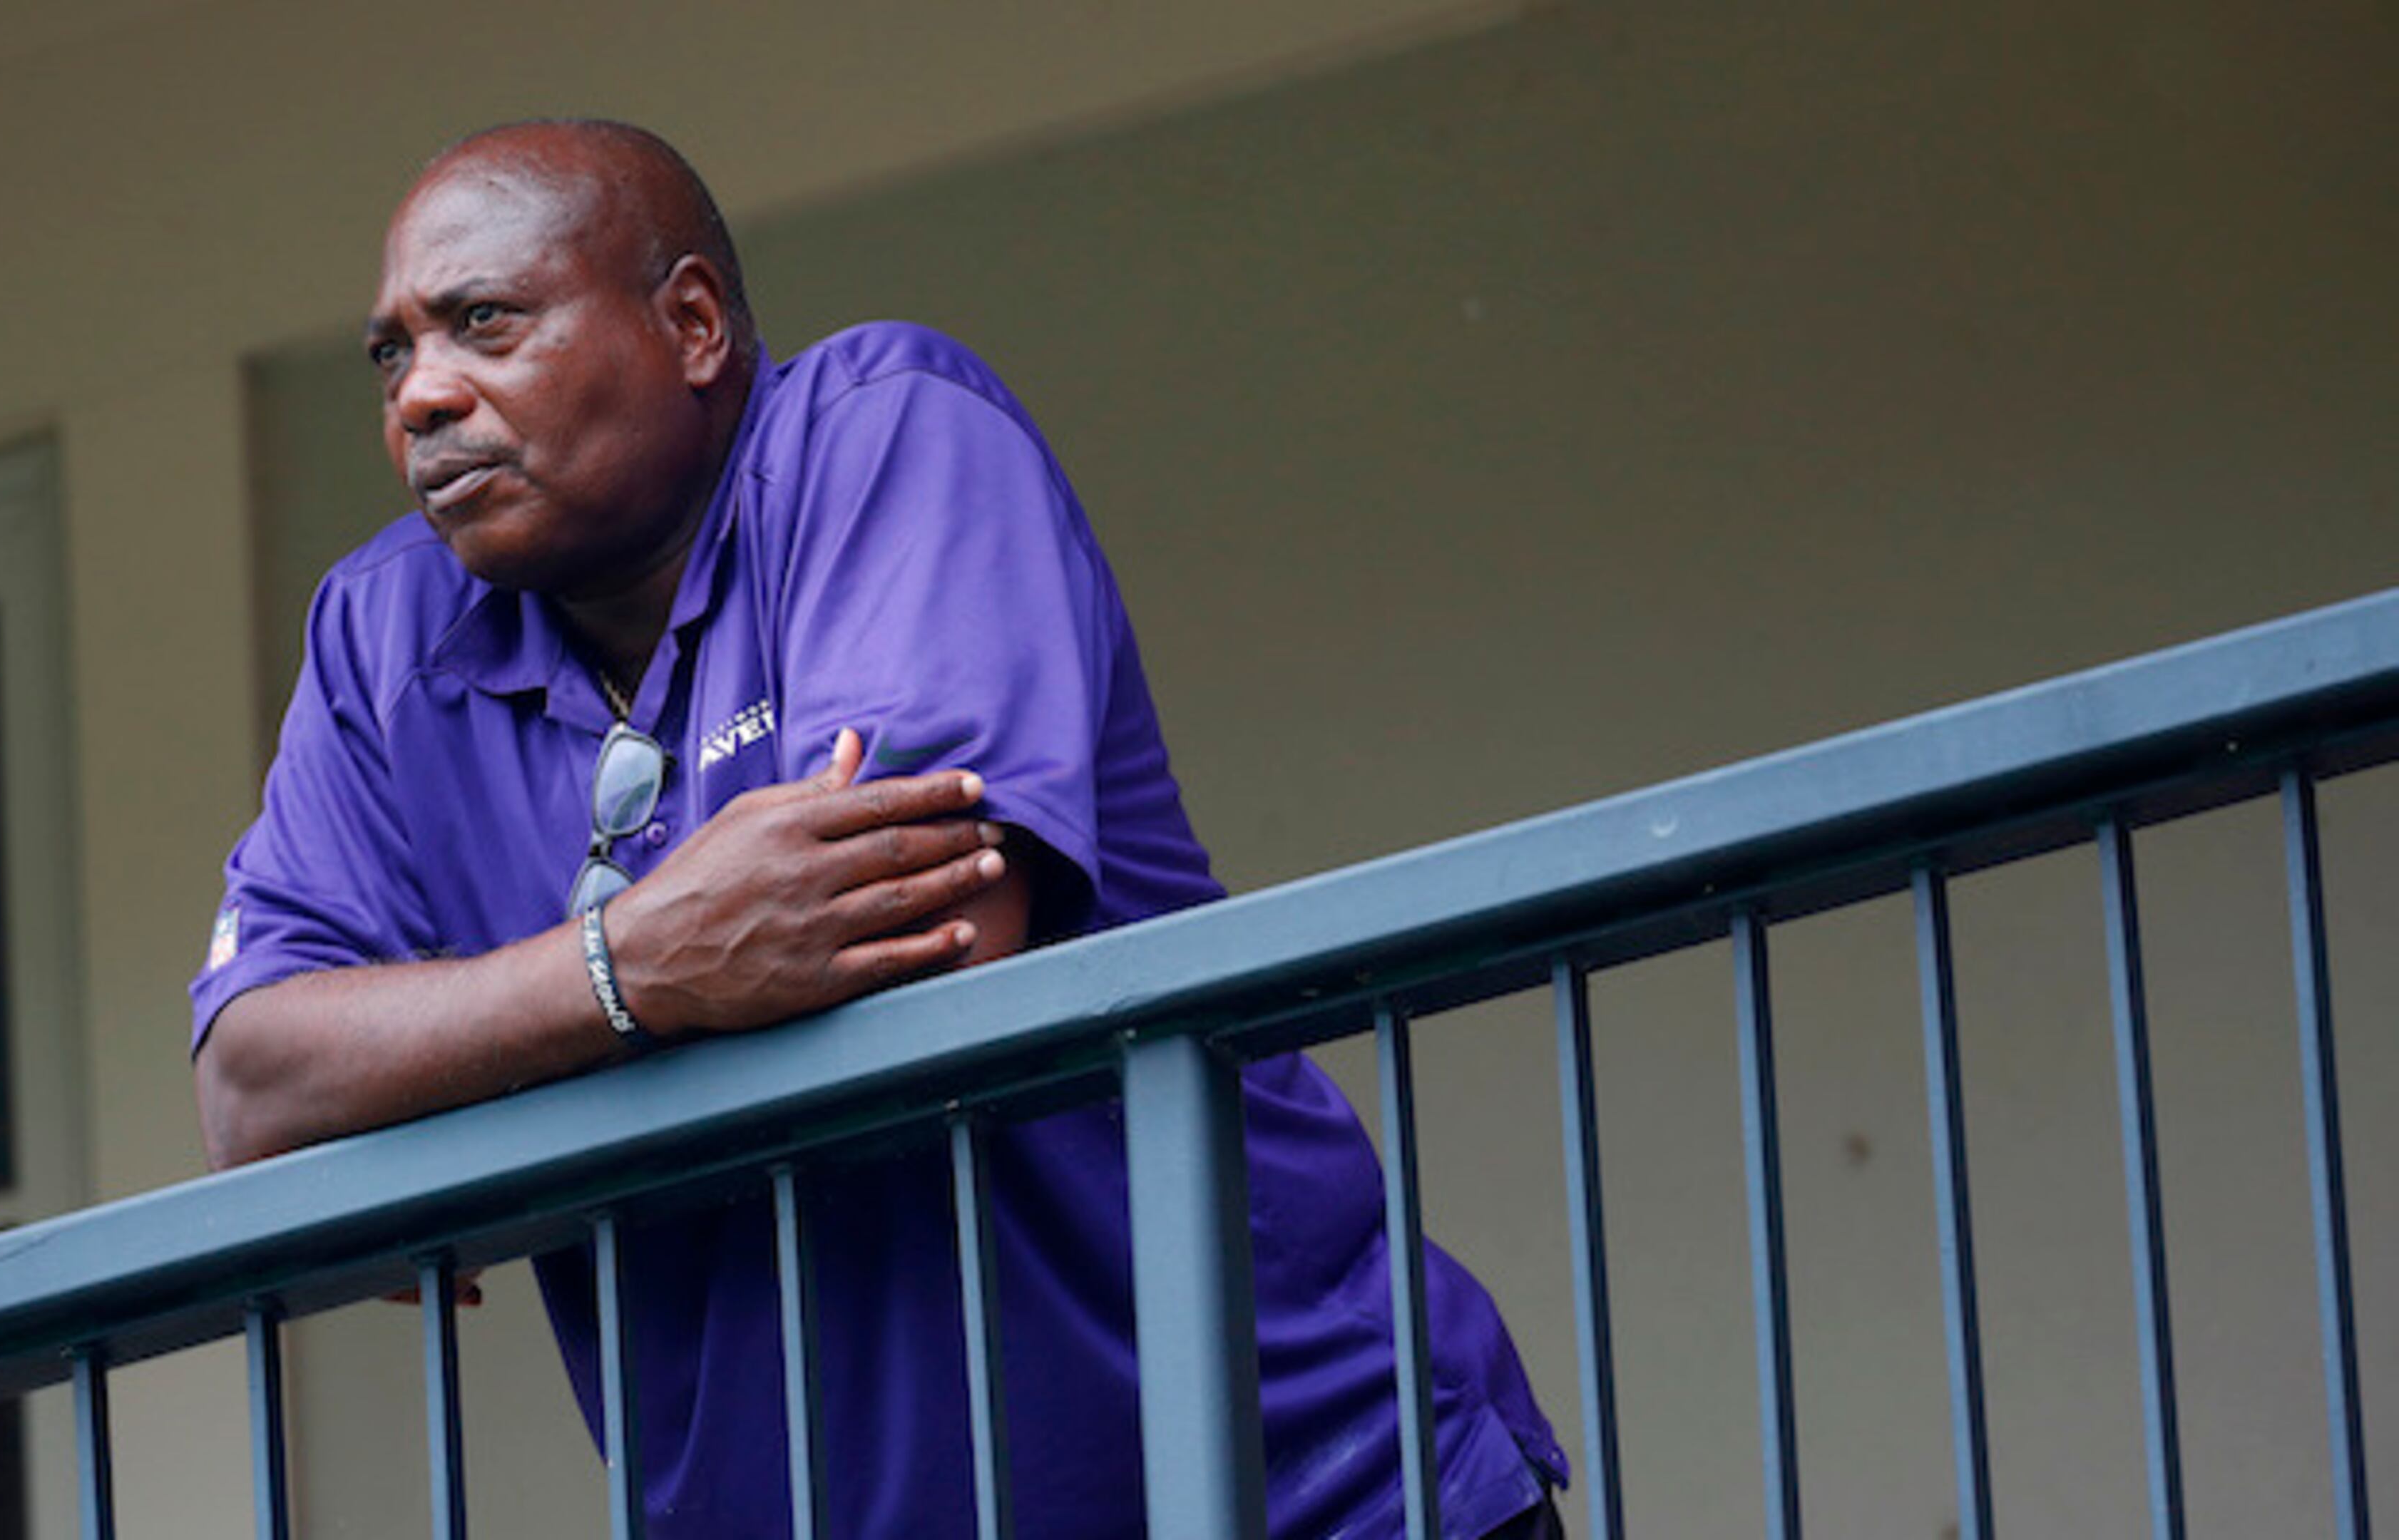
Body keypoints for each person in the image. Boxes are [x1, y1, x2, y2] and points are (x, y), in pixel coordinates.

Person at [192, 118, 1567, 1539]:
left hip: (1297, 1488)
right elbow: (257, 1089)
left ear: (693, 325)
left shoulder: (878, 432)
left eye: (482, 323)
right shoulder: (382, 640)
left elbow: (929, 934)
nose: (422, 396)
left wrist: (459, 1072)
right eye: (393, 355)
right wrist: (635, 965)